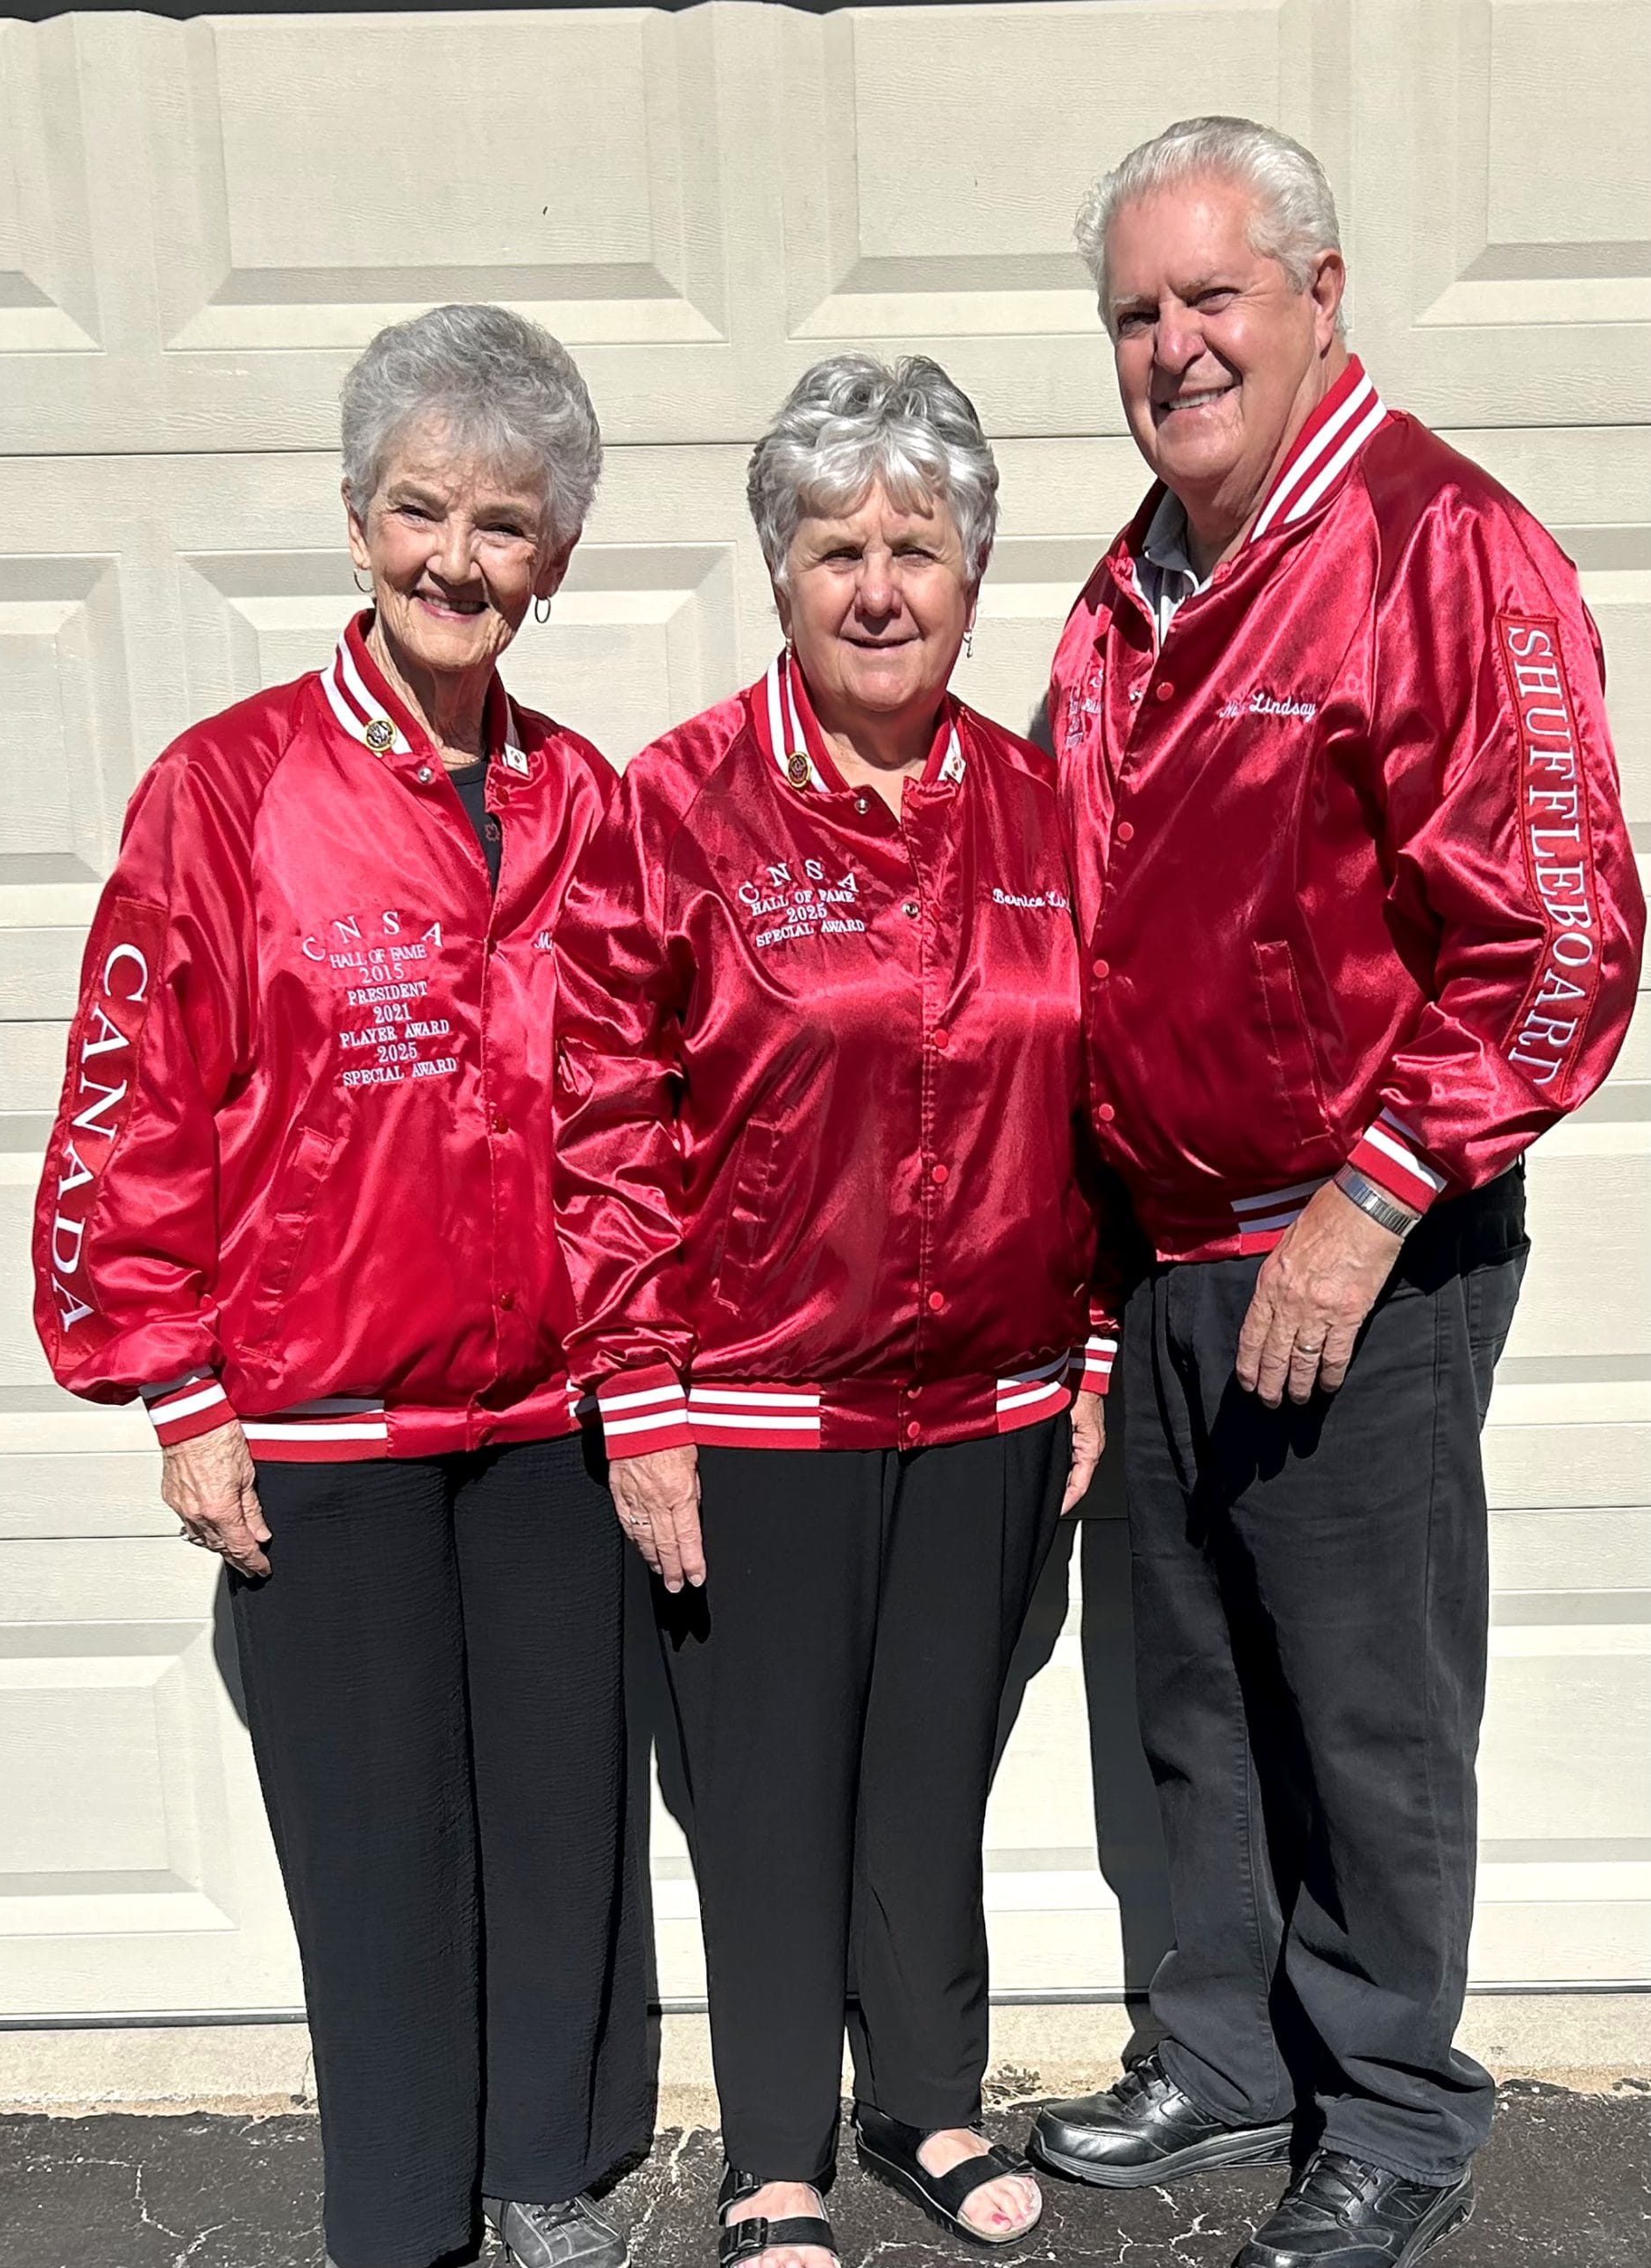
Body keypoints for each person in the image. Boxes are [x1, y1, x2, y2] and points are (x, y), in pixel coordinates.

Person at [1031, 118, 1645, 2268]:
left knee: (1366, 1705)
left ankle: (1391, 2103)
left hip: (1356, 1243)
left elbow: (1559, 936)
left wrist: (1368, 1202)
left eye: (1211, 296)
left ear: (1319, 295)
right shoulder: (1126, 592)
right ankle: (1222, 2052)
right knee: (1188, 1688)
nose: (1174, 346)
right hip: (1165, 1250)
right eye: (1135, 312)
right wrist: (1088, 1286)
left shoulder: (1436, 547)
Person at [30, 304, 652, 2268]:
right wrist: (178, 1388)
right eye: (419, 510)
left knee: (557, 1823)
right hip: (322, 1424)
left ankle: (544, 2170)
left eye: (503, 524)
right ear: (357, 517)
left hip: (545, 1427)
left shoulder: (587, 803)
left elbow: (636, 1120)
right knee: (377, 1847)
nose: (456, 560)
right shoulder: (225, 791)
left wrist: (649, 1368)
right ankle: (398, 2218)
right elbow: (132, 1103)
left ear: (555, 557)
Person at [551, 353, 1115, 2268]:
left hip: (992, 1413)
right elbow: (604, 1117)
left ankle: (931, 2101)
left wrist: (1089, 1341)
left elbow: (1095, 1101)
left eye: (914, 547)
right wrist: (640, 1397)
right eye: (833, 550)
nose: (878, 589)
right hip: (760, 1412)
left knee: (932, 1779)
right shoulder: (680, 806)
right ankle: (775, 2153)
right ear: (779, 574)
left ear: (972, 572)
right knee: (770, 1796)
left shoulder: (1041, 811)